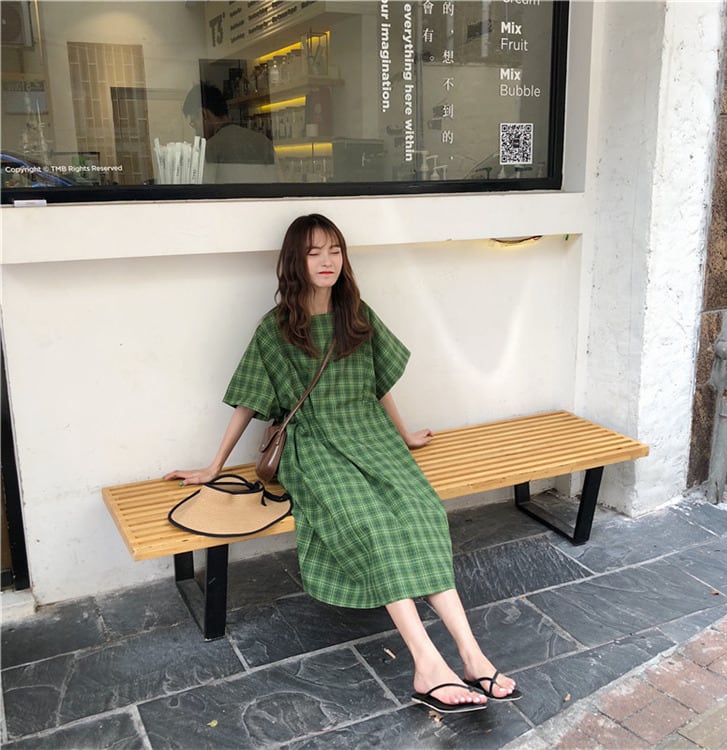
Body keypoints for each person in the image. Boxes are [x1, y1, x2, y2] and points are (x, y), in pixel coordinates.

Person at [166, 214, 519, 713]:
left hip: (371, 436)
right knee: (372, 525)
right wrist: (214, 466)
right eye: (314, 252)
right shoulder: (275, 329)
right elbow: (247, 400)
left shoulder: (356, 314)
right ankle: (426, 665)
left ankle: (472, 655)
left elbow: (380, 383)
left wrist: (403, 435)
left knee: (422, 512)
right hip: (314, 446)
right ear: (295, 261)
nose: (327, 260)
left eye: (334, 250)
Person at [182, 82, 276, 183]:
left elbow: (206, 189)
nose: (196, 132)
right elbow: (278, 180)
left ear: (203, 114)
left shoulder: (210, 148)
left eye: (193, 123)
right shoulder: (263, 141)